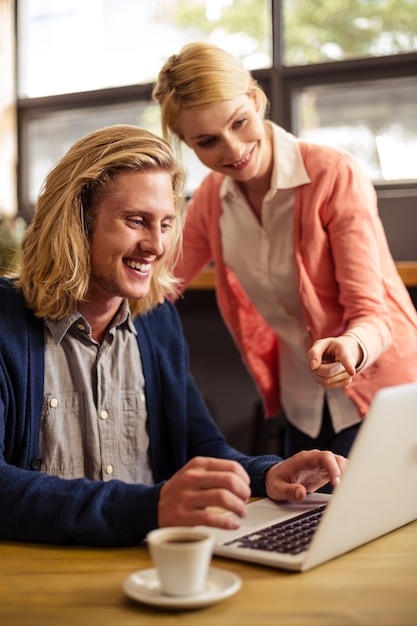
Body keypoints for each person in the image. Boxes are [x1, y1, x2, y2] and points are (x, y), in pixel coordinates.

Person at [0, 124, 346, 547]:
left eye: (165, 224)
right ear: (76, 221)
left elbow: (198, 445)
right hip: (39, 576)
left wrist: (266, 475)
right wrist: (149, 508)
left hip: (151, 570)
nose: (157, 245)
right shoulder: (6, 324)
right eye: (136, 221)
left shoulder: (156, 319)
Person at [153, 42, 417, 464]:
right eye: (208, 141)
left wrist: (351, 345)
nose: (234, 150)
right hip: (301, 401)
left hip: (379, 386)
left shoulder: (333, 174)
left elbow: (373, 314)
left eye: (239, 122)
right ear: (189, 144)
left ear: (256, 100)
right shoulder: (209, 201)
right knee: (304, 520)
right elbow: (159, 284)